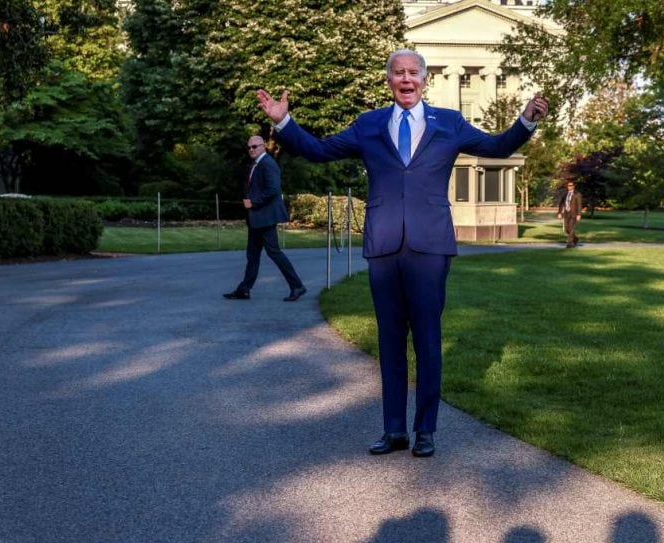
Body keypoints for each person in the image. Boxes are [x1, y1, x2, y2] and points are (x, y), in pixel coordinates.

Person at [257, 49, 549, 457]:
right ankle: (394, 430)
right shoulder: (369, 124)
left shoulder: (449, 123)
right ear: (389, 79)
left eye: (413, 72)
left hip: (431, 246)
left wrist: (526, 120)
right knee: (390, 339)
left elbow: (497, 146)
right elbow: (320, 150)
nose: (406, 79)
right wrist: (283, 122)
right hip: (384, 245)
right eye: (399, 73)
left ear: (425, 79)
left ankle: (425, 430)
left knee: (428, 339)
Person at [223, 135, 307, 302]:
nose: (251, 150)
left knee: (274, 252)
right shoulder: (256, 164)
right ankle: (244, 289)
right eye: (249, 147)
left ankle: (297, 286)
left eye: (255, 146)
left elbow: (273, 189)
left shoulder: (268, 164)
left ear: (263, 147)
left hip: (265, 217)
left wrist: (253, 203)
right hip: (257, 218)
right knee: (252, 255)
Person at [557, 180, 582, 248]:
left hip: (573, 214)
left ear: (573, 186)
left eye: (570, 185)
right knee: (566, 229)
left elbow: (579, 205)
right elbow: (561, 204)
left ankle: (570, 243)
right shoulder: (565, 194)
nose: (569, 187)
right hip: (566, 213)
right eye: (568, 186)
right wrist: (559, 213)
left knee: (571, 227)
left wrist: (579, 214)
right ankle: (575, 239)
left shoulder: (577, 194)